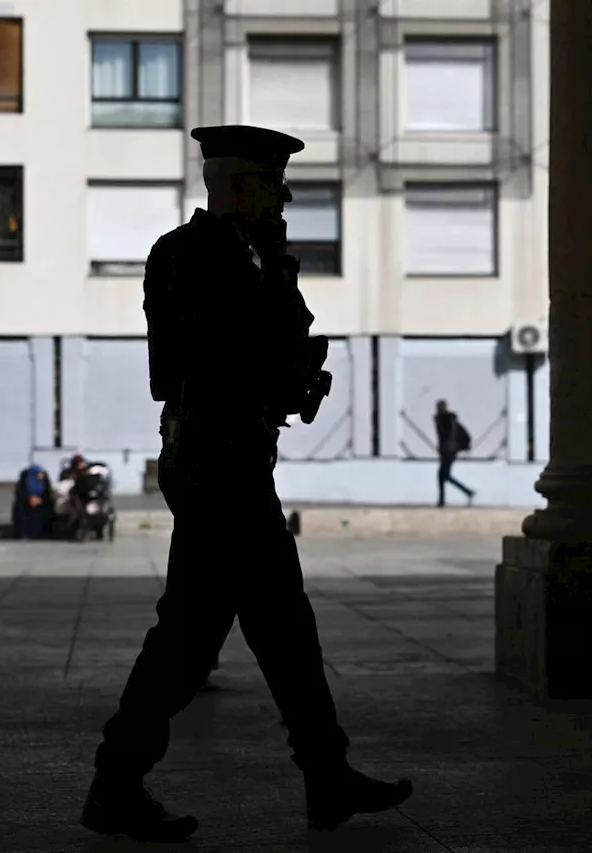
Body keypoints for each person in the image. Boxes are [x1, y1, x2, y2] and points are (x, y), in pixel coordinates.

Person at [81, 124, 412, 844]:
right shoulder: (189, 254)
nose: (282, 198)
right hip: (211, 461)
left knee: (282, 625)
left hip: (238, 458)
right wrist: (277, 355)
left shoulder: (256, 254)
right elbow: (202, 358)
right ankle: (117, 782)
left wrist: (281, 290)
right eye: (271, 184)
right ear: (238, 184)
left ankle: (326, 774)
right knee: (191, 638)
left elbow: (278, 337)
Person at [433, 400, 475, 507]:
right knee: (443, 475)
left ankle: (466, 492)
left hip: (450, 451)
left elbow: (449, 435)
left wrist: (447, 446)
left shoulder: (447, 419)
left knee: (443, 475)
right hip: (447, 451)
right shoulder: (441, 419)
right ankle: (466, 492)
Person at [11, 464, 54, 540]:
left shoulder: (44, 481)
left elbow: (48, 493)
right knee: (21, 509)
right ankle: (23, 534)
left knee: (47, 510)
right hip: (26, 501)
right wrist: (29, 498)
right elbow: (19, 492)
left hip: (42, 501)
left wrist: (41, 500)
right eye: (39, 473)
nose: (40, 475)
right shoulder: (25, 480)